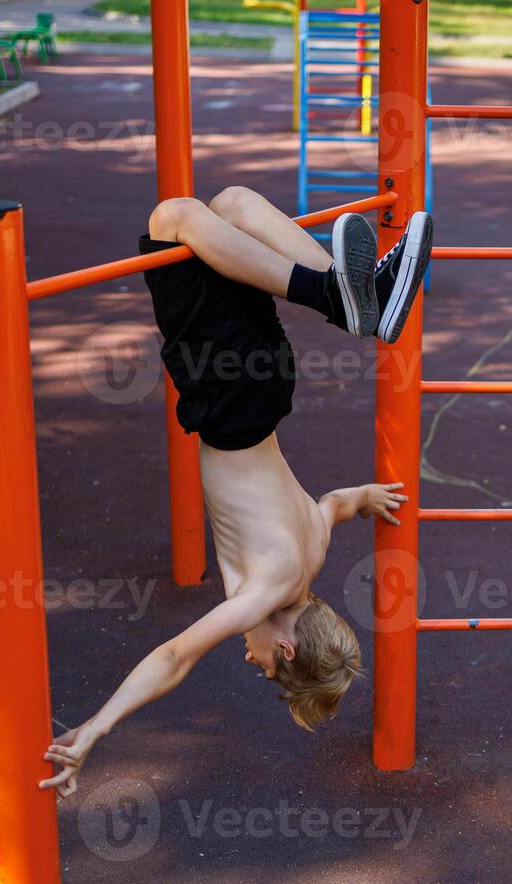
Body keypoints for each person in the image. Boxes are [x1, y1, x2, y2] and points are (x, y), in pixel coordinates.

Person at [40, 187, 433, 797]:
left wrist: (370, 496)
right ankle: (337, 295)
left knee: (233, 205)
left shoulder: (314, 552)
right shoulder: (266, 590)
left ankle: (358, 298)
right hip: (226, 397)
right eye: (270, 669)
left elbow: (337, 503)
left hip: (269, 386)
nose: (253, 663)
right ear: (285, 645)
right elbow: (174, 658)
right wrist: (95, 728)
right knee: (174, 219)